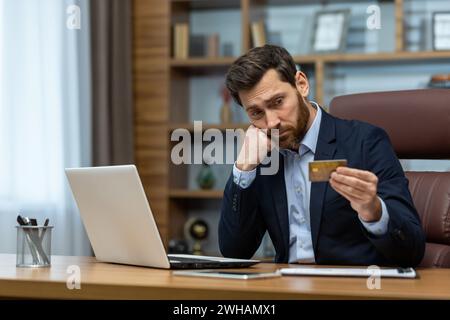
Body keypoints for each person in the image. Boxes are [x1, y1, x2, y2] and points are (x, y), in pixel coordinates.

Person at [219, 45, 425, 267]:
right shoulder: (262, 155)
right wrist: (243, 169)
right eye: (256, 112)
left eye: (278, 102)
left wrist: (374, 211)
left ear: (301, 84)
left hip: (352, 288)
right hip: (283, 288)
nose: (272, 123)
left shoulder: (366, 141)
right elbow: (235, 252)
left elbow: (412, 250)